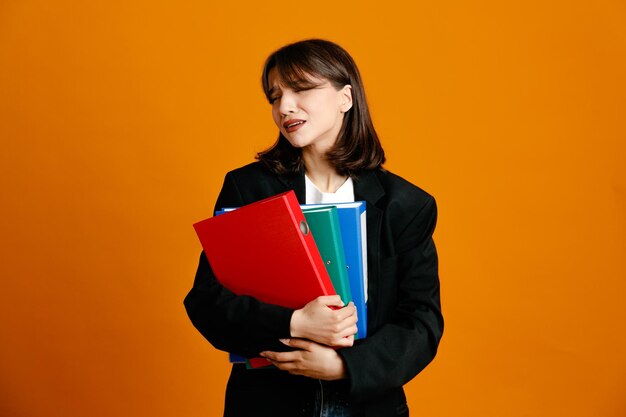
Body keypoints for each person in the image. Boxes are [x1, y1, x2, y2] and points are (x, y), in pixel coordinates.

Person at [184, 39, 443, 417]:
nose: (284, 107)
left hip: (367, 405)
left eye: (301, 89)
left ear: (345, 98)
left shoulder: (406, 205)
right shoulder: (250, 188)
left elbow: (421, 323)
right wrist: (295, 321)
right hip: (269, 401)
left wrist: (343, 367)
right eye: (275, 96)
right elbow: (207, 302)